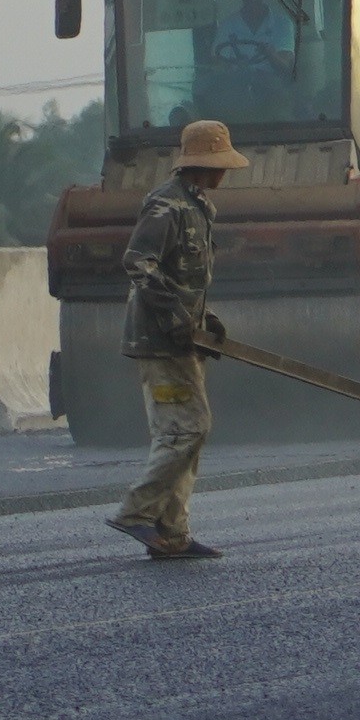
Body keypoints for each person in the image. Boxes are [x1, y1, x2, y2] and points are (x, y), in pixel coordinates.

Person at [110, 120, 247, 562]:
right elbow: (139, 262)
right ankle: (136, 511)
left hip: (181, 339)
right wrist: (174, 318)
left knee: (187, 433)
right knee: (188, 428)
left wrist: (204, 319)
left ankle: (172, 533)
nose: (225, 174)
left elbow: (182, 276)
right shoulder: (166, 206)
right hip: (159, 340)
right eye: (219, 165)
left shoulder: (198, 206)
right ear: (203, 165)